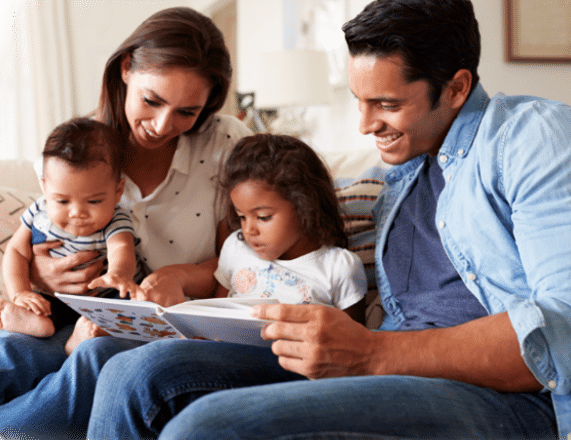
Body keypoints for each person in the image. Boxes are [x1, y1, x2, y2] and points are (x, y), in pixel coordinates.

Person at [85, 0, 571, 439]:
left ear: (457, 87)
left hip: (507, 400)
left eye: (386, 104)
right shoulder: (401, 174)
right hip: (389, 370)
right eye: (360, 101)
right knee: (137, 373)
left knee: (205, 427)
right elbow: (297, 208)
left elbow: (561, 328)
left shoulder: (530, 138)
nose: (364, 124)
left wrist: (369, 353)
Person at [0, 7, 251, 439]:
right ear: (125, 69)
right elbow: (39, 235)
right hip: (77, 310)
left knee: (95, 357)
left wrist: (181, 275)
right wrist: (38, 278)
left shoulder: (227, 143)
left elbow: (248, 258)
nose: (161, 125)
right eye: (152, 101)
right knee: (14, 352)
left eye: (186, 111)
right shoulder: (82, 149)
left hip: (172, 325)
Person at [0, 117, 142, 354]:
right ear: (45, 187)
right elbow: (16, 251)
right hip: (56, 298)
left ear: (118, 191)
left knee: (128, 310)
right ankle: (33, 322)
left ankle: (82, 337)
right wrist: (20, 293)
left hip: (104, 298)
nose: (77, 213)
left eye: (94, 201)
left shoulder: (116, 219)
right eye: (62, 200)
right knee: (39, 306)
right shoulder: (39, 211)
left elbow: (121, 248)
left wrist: (118, 274)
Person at [215, 133, 366, 322]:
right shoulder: (236, 248)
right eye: (242, 217)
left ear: (306, 207)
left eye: (263, 217)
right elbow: (214, 313)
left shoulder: (339, 267)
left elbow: (354, 340)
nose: (248, 230)